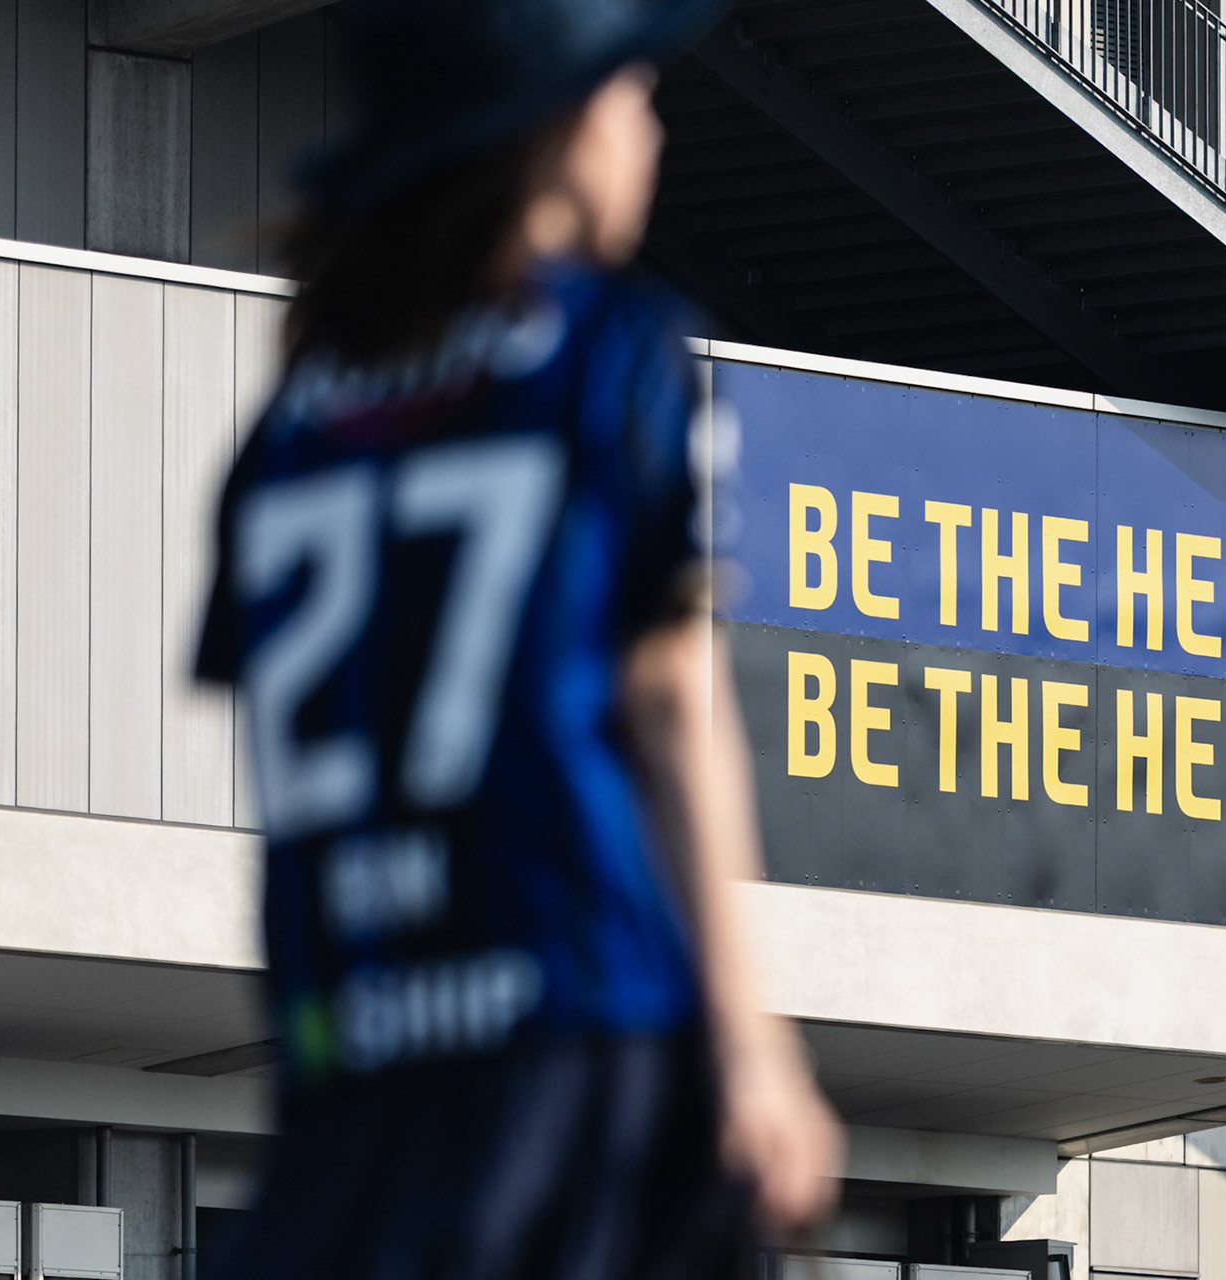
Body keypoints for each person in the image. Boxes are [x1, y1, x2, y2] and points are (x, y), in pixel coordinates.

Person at [192, 0, 843, 1274]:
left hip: (353, 1066)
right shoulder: (611, 347)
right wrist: (755, 1045)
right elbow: (668, 698)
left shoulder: (292, 426)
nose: (650, 122)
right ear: (552, 131)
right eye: (631, 87)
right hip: (581, 1028)